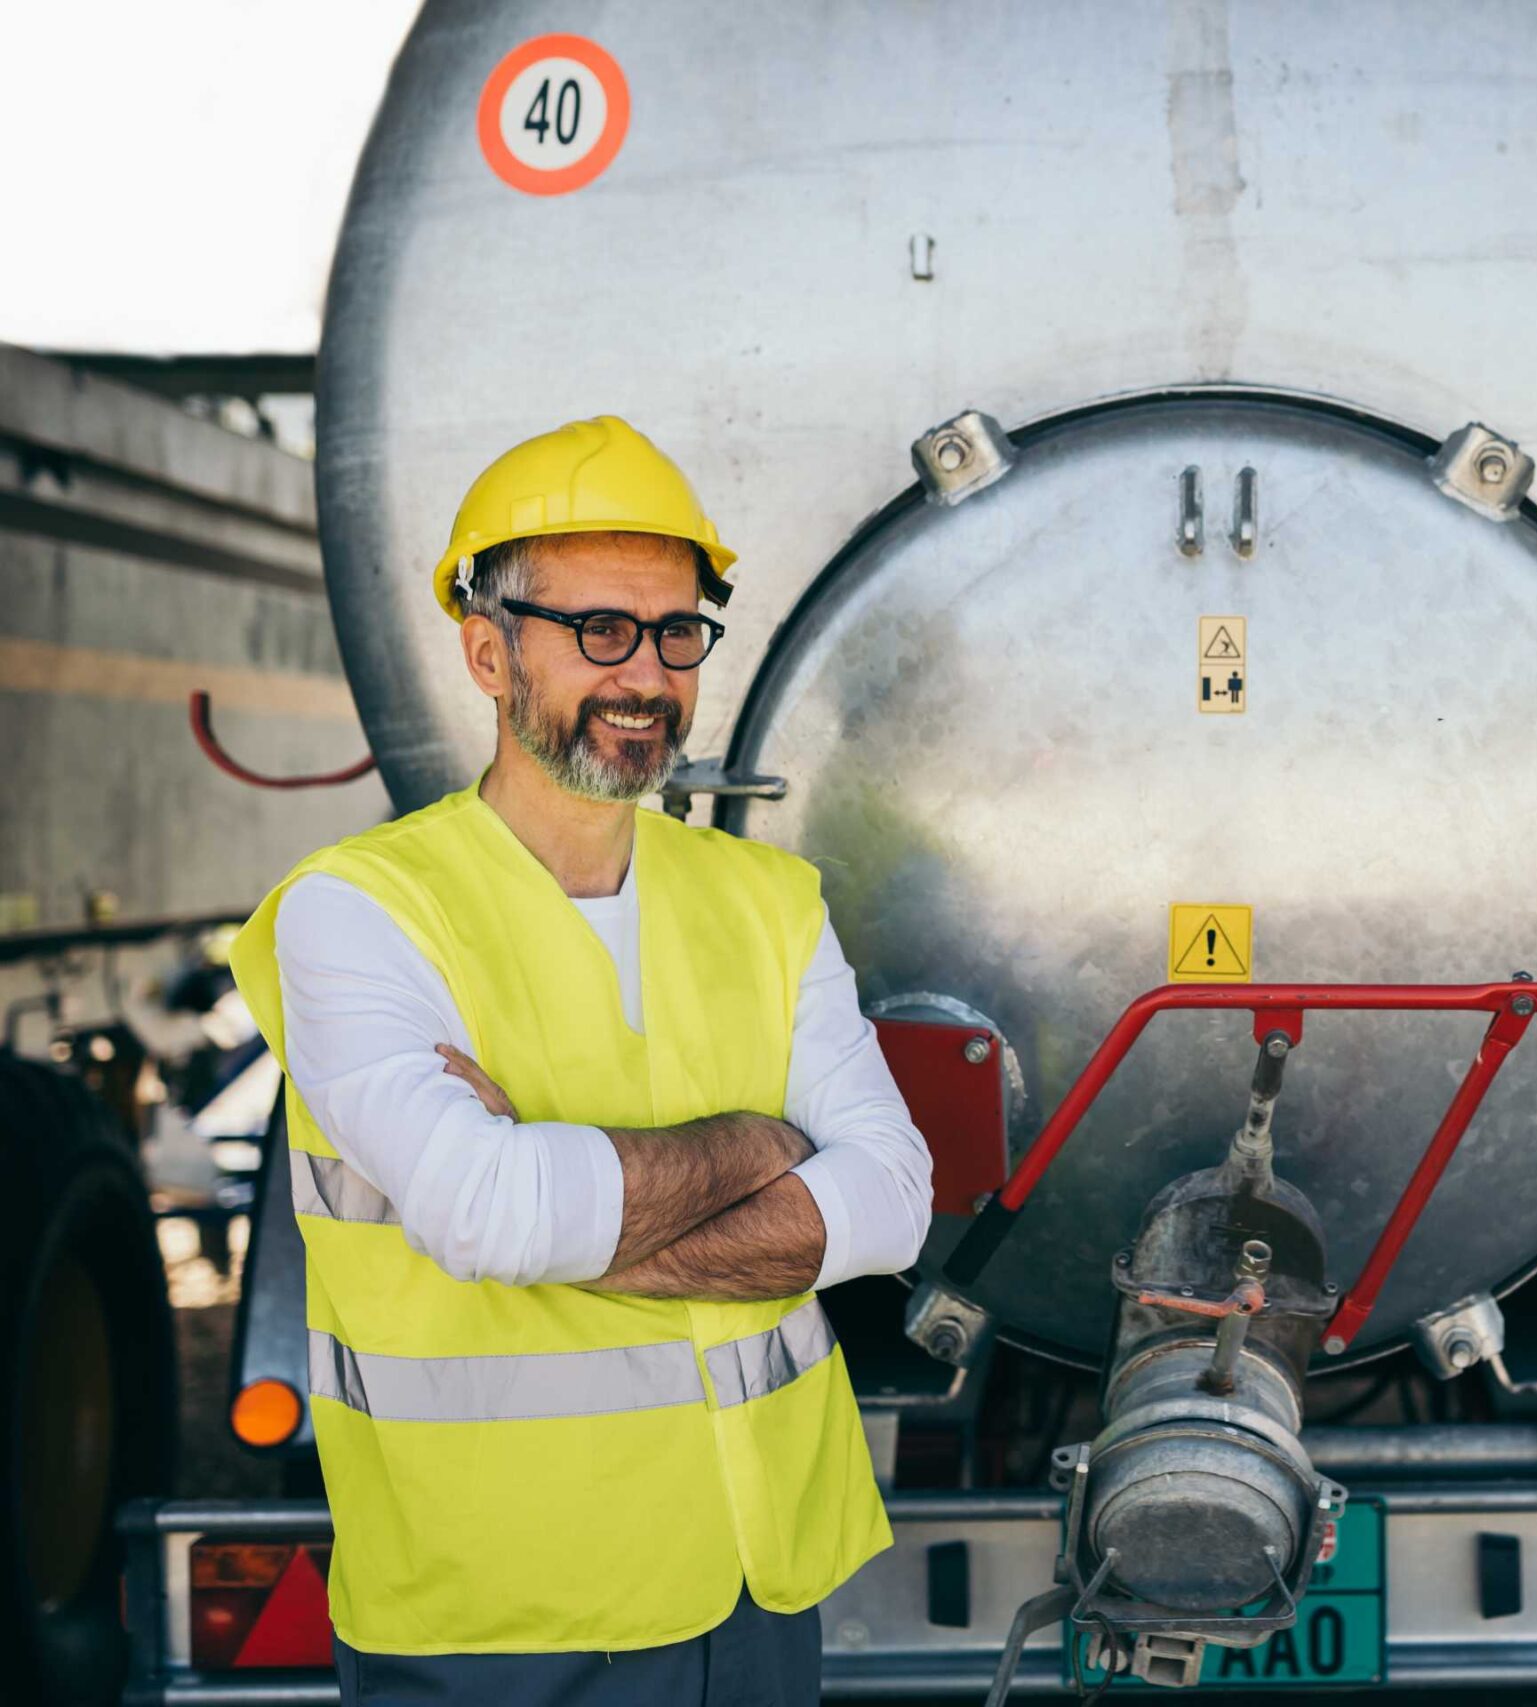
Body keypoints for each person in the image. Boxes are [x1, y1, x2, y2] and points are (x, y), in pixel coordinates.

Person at [227, 416, 933, 1705]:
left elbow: (890, 1204)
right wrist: (763, 1152)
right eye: (599, 629)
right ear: (488, 651)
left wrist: (564, 1223)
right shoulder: (362, 910)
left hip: (758, 1589)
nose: (647, 673)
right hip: (501, 1617)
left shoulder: (769, 899)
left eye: (676, 632)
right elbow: (492, 1214)